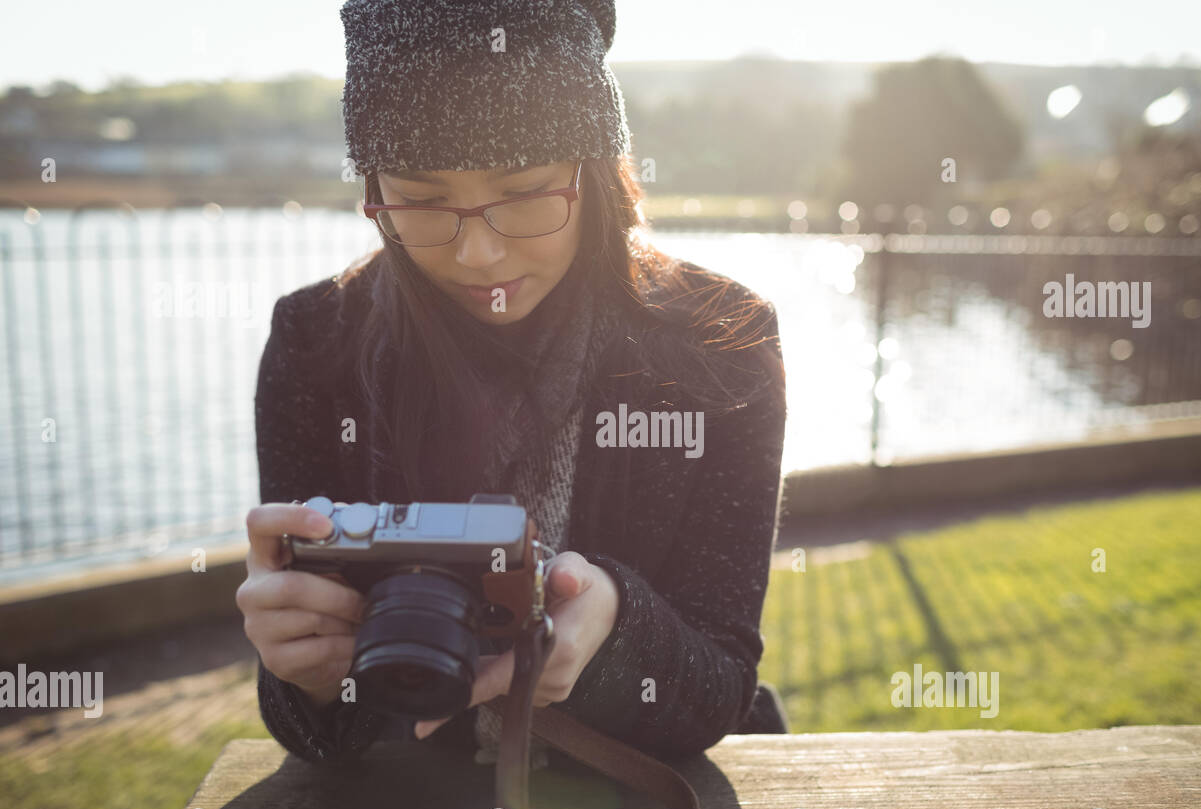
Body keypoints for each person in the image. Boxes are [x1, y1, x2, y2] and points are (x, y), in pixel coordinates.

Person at [236, 0, 789, 767]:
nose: (480, 256)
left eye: (525, 191)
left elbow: (721, 683)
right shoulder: (316, 341)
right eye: (423, 202)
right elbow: (317, 736)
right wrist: (307, 679)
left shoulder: (720, 339)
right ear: (373, 191)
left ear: (595, 172)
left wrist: (616, 634)